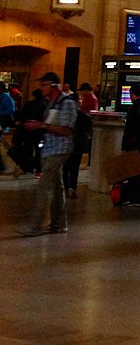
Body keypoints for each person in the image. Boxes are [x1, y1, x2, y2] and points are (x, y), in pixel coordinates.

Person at [19, 71, 77, 236]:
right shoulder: (50, 103)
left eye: (44, 85)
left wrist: (41, 126)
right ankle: (59, 224)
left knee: (43, 187)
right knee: (57, 188)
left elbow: (65, 130)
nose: (41, 88)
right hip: (49, 149)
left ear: (54, 85)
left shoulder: (66, 103)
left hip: (60, 150)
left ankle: (35, 226)